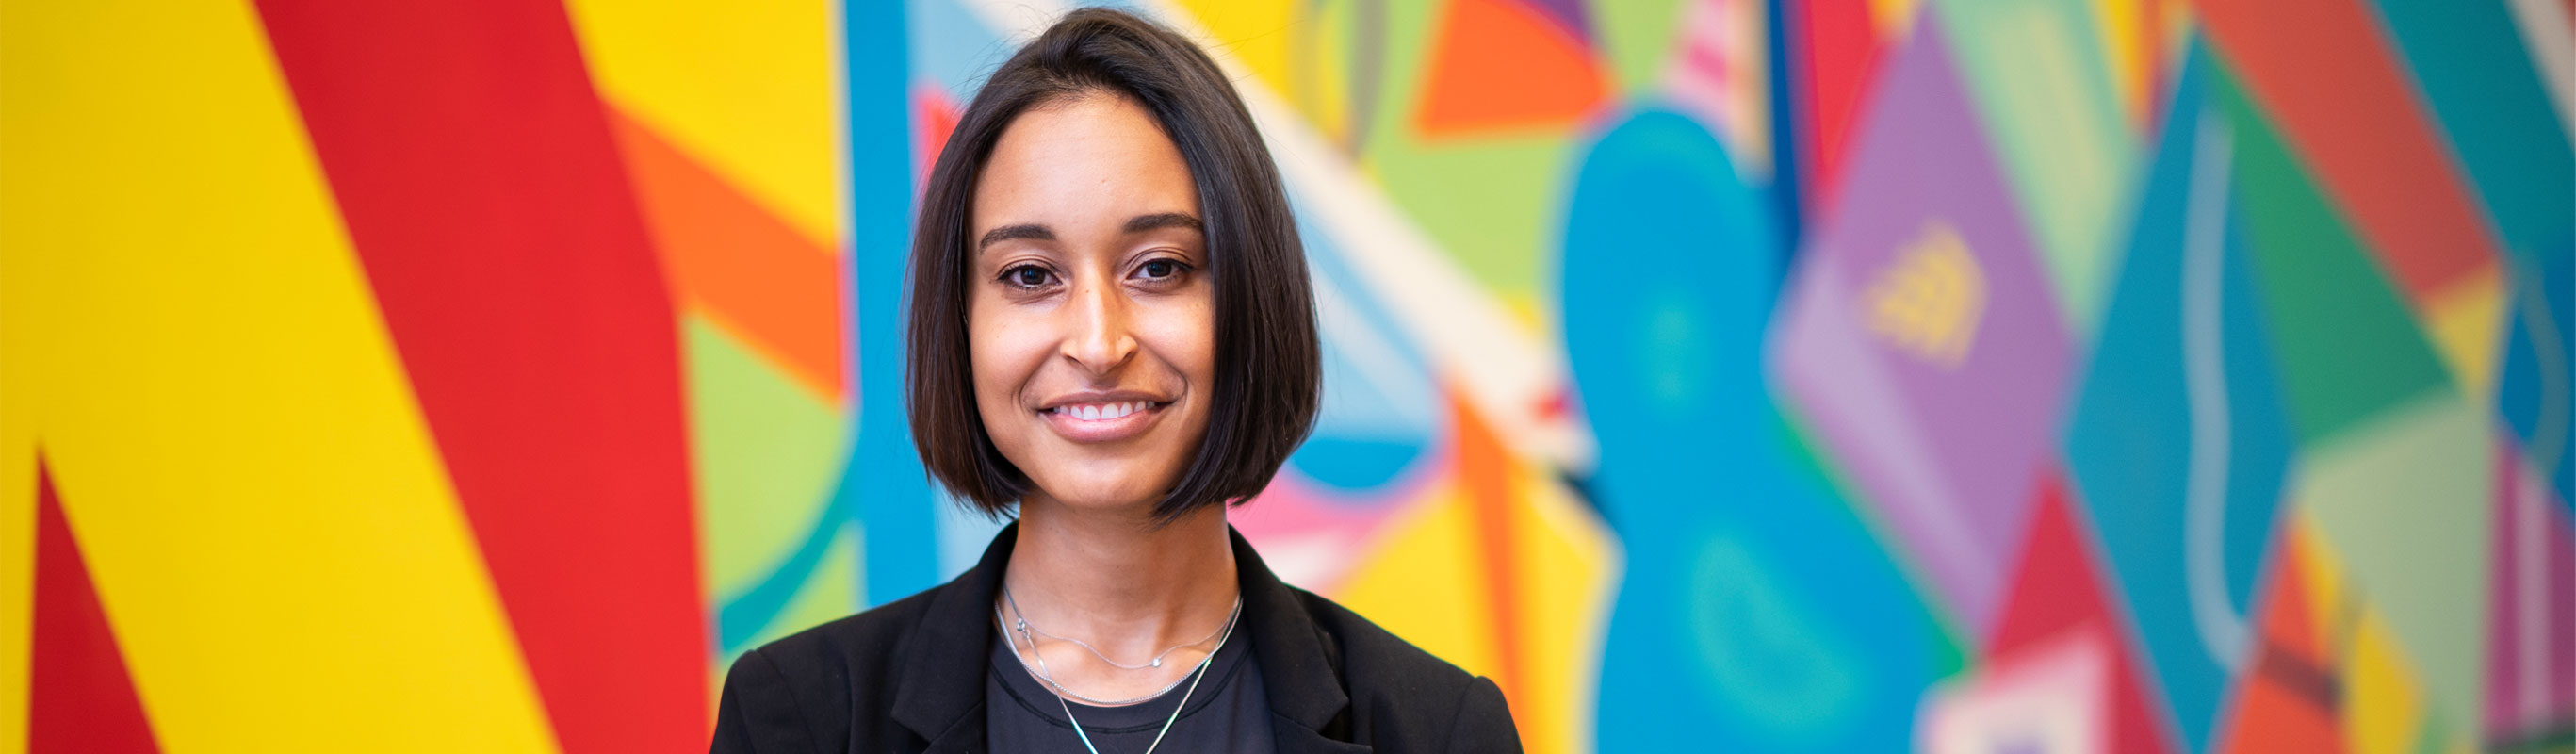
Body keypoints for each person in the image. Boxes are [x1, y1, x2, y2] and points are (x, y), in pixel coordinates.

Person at [708, 8, 1522, 753]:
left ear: (1251, 296)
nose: (1098, 343)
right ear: (960, 322)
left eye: (1159, 268)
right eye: (1029, 276)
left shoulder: (1437, 730)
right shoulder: (800, 718)